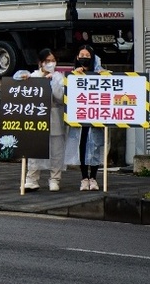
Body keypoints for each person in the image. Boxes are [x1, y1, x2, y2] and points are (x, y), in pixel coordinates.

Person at [15, 48, 67, 191]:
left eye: (53, 61)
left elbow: (61, 98)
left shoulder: (58, 77)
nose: (51, 63)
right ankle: (31, 178)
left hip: (55, 118)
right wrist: (23, 78)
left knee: (56, 151)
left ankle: (55, 179)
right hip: (37, 119)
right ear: (41, 62)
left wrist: (53, 83)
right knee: (34, 150)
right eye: (48, 61)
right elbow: (16, 80)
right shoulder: (34, 75)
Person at [64, 45, 105, 191]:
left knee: (95, 146)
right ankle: (83, 178)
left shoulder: (100, 74)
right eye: (81, 55)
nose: (84, 58)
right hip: (80, 117)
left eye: (87, 55)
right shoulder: (72, 76)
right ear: (77, 57)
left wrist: (102, 75)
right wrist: (76, 75)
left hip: (95, 115)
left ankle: (94, 178)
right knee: (81, 146)